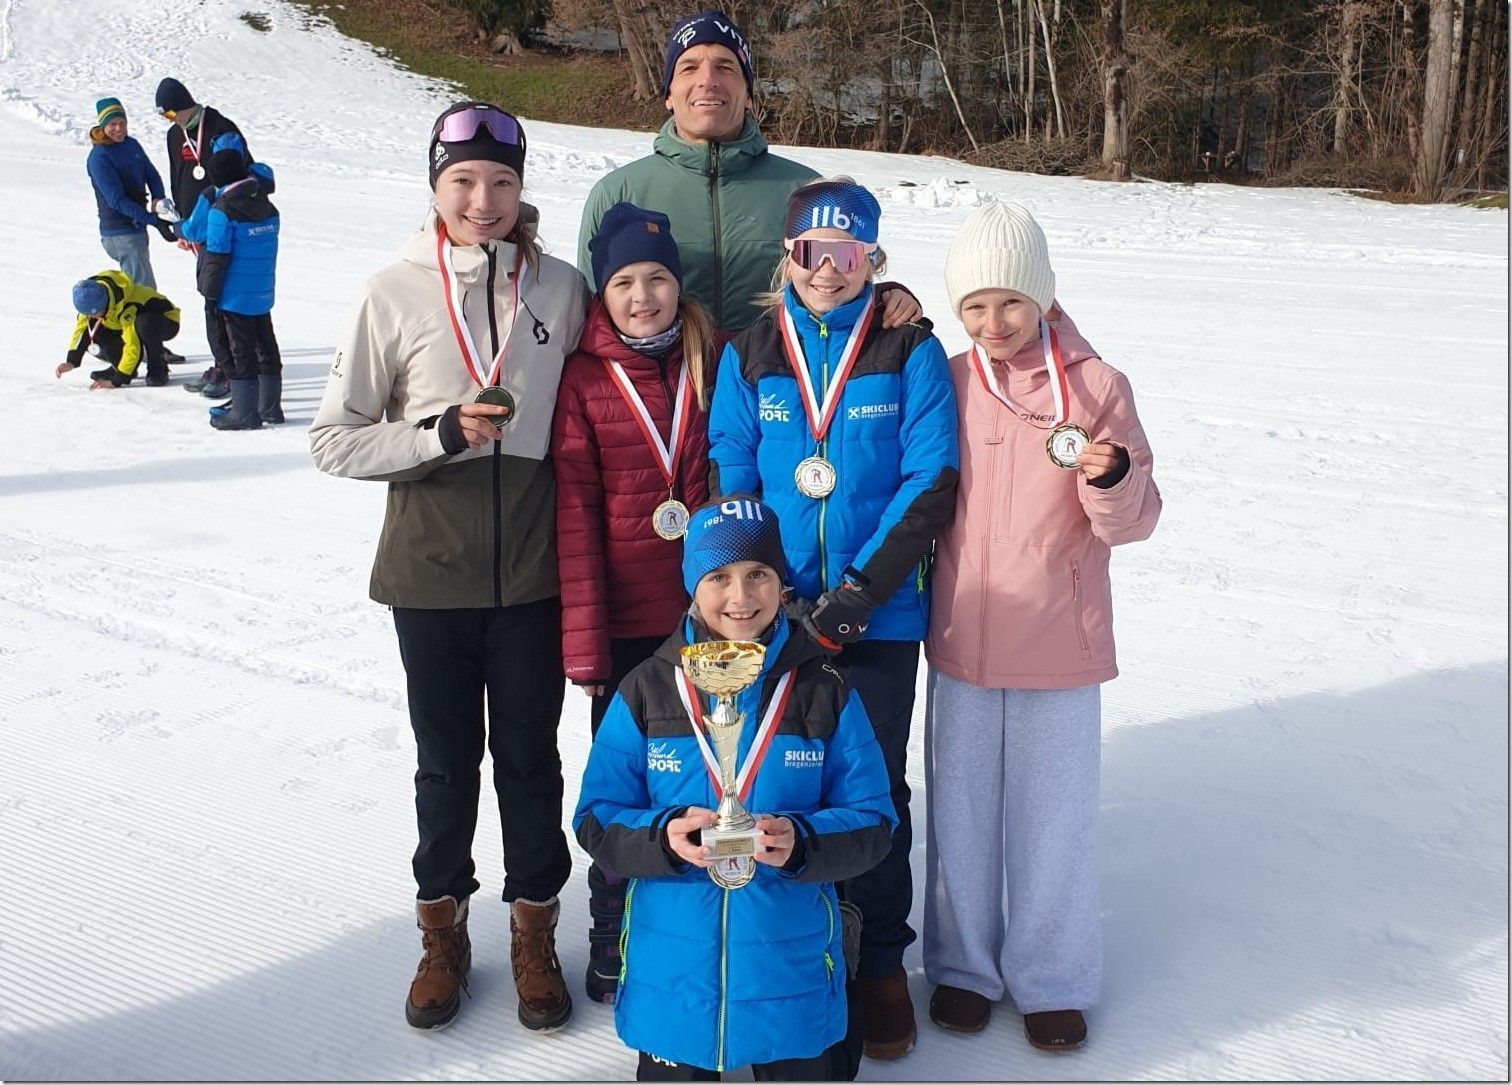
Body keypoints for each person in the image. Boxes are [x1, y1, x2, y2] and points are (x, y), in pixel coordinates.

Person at [309, 101, 588, 1034]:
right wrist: (437, 434)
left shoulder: (561, 288)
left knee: (532, 760)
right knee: (445, 762)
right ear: (435, 185)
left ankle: (535, 931)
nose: (483, 200)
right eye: (463, 181)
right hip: (429, 572)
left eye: (502, 181)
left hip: (535, 573)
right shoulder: (392, 292)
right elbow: (333, 440)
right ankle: (442, 929)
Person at [706, 177, 959, 1061]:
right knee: (778, 780)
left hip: (877, 616)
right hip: (773, 615)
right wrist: (769, 591)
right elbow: (732, 472)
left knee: (873, 789)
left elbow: (930, 479)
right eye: (812, 252)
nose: (828, 269)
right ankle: (796, 953)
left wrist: (853, 598)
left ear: (871, 258)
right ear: (789, 256)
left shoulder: (908, 346)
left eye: (847, 253)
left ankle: (880, 963)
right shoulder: (750, 351)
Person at [923, 201, 1162, 1052]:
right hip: (962, 636)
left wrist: (1112, 474)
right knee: (960, 816)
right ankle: (962, 967)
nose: (994, 322)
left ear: (1043, 296)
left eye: (1011, 303)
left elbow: (1133, 522)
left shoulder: (1097, 386)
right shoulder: (949, 378)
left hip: (1061, 640)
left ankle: (1052, 976)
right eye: (975, 305)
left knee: (1053, 822)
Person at [573, 495, 896, 1080]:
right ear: (692, 587)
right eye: (718, 577)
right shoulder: (647, 690)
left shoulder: (823, 691)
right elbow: (597, 817)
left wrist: (802, 841)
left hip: (790, 969)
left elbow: (874, 822)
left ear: (782, 584)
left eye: (758, 574)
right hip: (675, 977)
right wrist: (662, 837)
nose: (741, 596)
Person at [550, 201, 719, 1003]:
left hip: (709, 619)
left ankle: (698, 924)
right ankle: (613, 927)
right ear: (602, 292)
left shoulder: (711, 356)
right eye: (623, 282)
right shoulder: (584, 378)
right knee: (627, 784)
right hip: (623, 627)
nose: (642, 296)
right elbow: (574, 516)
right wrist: (584, 646)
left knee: (712, 774)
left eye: (657, 278)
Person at [576, 11, 919, 336]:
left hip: (777, 377)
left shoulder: (806, 192)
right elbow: (589, 318)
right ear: (669, 94)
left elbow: (845, 281)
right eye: (689, 67)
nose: (707, 80)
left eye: (725, 67)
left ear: (749, 95)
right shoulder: (617, 193)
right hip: (661, 379)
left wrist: (886, 298)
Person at [155, 77, 249, 399]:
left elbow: (236, 177)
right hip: (196, 229)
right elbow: (177, 178)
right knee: (212, 297)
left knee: (222, 299)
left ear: (184, 104)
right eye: (164, 116)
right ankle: (225, 363)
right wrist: (183, 225)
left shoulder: (221, 129)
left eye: (170, 113)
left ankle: (232, 369)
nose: (169, 120)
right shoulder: (174, 134)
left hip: (223, 226)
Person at [186, 138, 283, 430]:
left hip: (233, 296)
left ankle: (244, 412)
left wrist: (210, 296)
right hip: (262, 291)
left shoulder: (222, 211)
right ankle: (270, 407)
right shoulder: (267, 206)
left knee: (241, 352)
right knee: (266, 346)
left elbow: (217, 258)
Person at [85, 96, 175, 292]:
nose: (119, 129)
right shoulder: (99, 157)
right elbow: (116, 200)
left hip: (136, 226)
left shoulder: (131, 145)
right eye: (112, 124)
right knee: (145, 293)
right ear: (103, 125)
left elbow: (151, 174)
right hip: (120, 232)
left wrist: (158, 199)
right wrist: (153, 220)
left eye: (122, 123)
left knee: (139, 289)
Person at [56, 270, 180, 389]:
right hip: (126, 321)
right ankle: (119, 366)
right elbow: (81, 330)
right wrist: (71, 361)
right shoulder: (89, 300)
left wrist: (118, 379)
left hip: (166, 320)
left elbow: (133, 345)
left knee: (143, 324)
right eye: (88, 314)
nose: (91, 317)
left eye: (95, 313)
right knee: (94, 329)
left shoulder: (127, 304)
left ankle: (157, 368)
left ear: (104, 304)